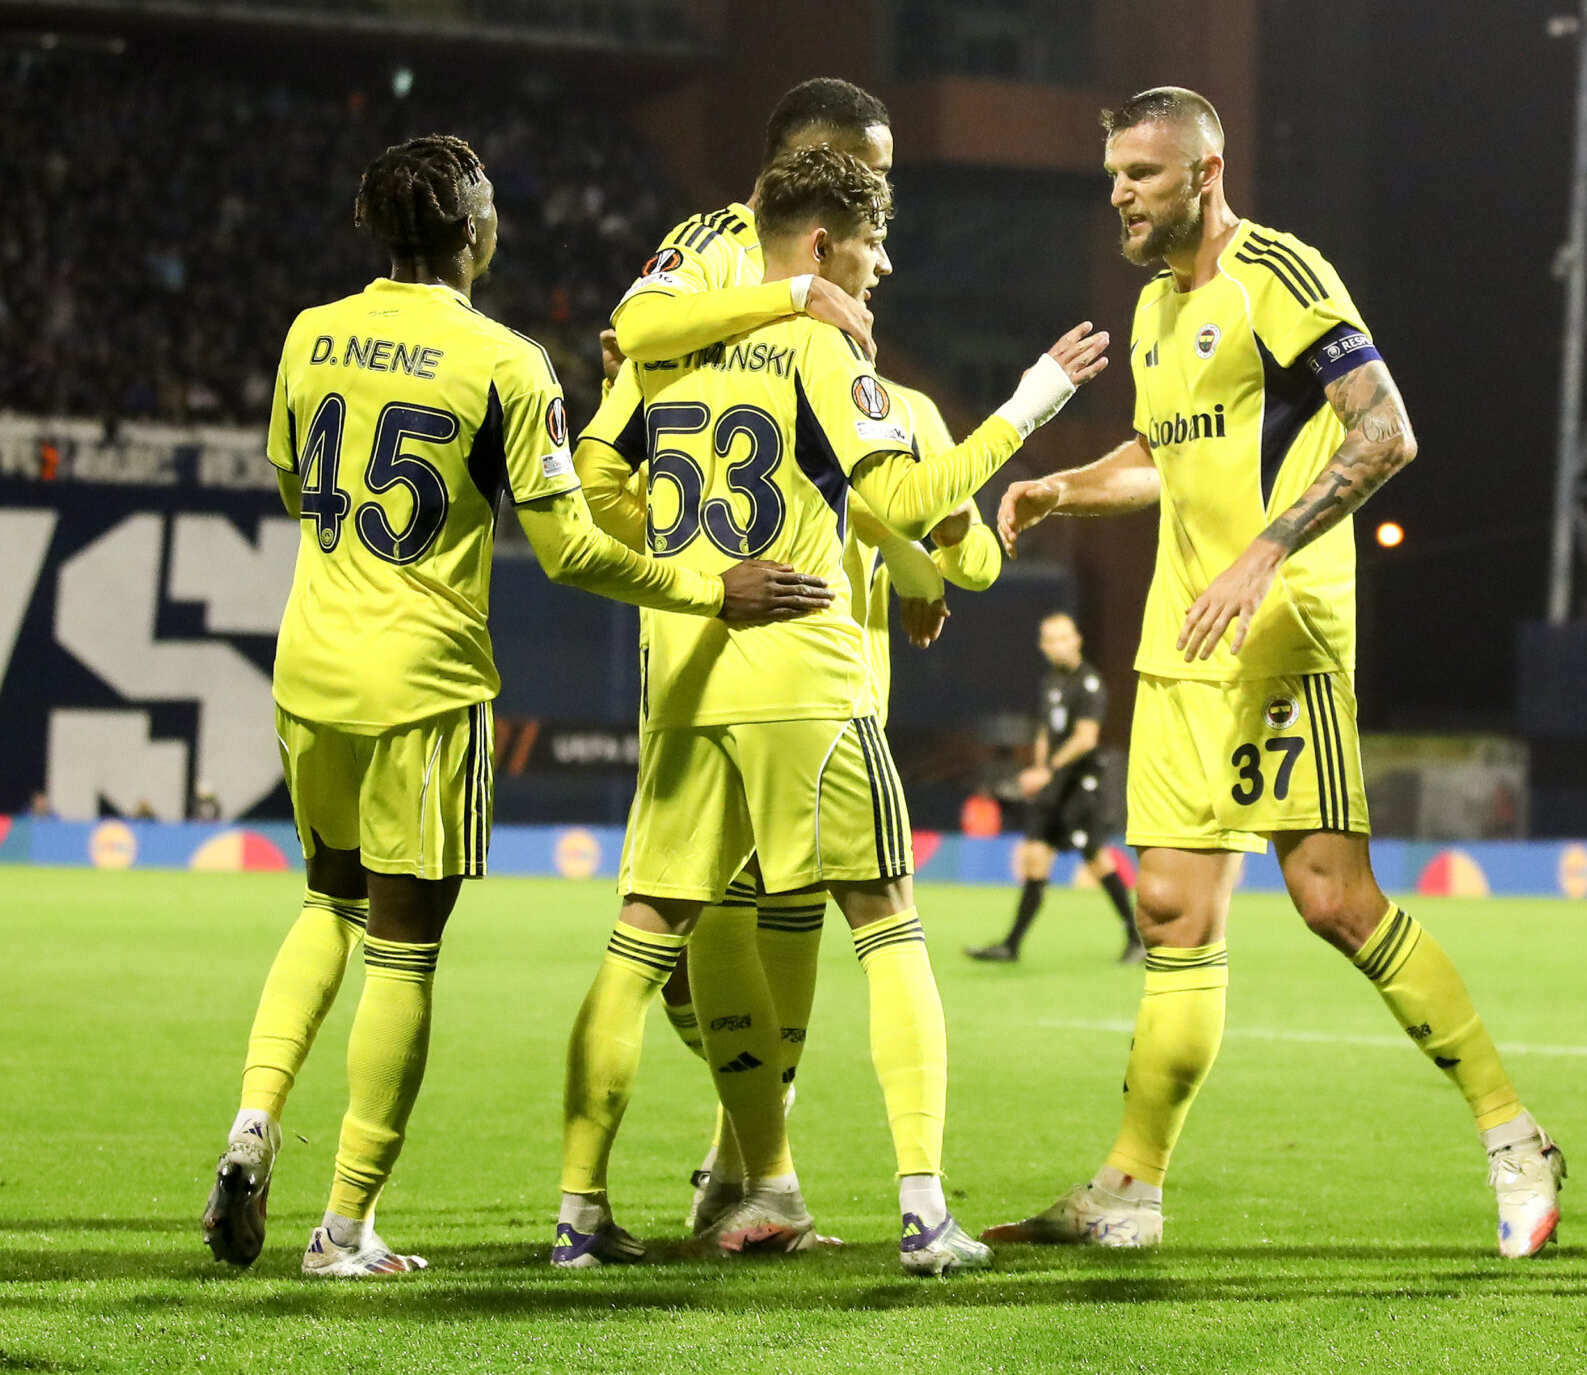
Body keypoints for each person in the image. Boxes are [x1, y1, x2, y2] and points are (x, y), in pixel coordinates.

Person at [200, 135, 830, 1276]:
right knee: (403, 948)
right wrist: (708, 585)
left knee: (326, 899)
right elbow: (574, 549)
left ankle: (254, 1117)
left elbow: (296, 483)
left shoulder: (307, 334)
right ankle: (343, 1226)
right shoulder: (505, 359)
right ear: (471, 231)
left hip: (307, 667)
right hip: (421, 682)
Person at [985, 88, 1563, 1257]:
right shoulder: (1153, 310)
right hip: (1179, 644)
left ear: (1203, 172)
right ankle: (1129, 1190)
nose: (1119, 197)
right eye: (1111, 177)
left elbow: (1384, 429)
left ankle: (1515, 1137)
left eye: (1139, 175)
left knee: (1334, 902)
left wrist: (1265, 547)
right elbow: (1165, 453)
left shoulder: (1283, 275)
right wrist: (1063, 485)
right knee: (1168, 910)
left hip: (1283, 635)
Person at [552, 144, 1108, 1277]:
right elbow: (901, 499)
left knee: (640, 938)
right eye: (865, 249)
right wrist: (1029, 403)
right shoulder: (825, 344)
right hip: (805, 680)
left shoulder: (663, 347)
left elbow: (597, 490)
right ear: (820, 246)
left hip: (687, 682)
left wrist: (682, 560)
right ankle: (919, 1208)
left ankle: (578, 1214)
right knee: (886, 918)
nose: (875, 270)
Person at [968, 611, 1144, 963]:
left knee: (1096, 859)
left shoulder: (1089, 683)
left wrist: (1047, 771)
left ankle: (1135, 938)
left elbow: (1085, 738)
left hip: (1080, 786)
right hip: (1053, 787)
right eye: (1050, 639)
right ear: (1043, 646)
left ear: (1077, 639)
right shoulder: (1051, 682)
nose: (1057, 645)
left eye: (1063, 637)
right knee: (1035, 857)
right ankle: (1011, 945)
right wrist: (1038, 768)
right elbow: (1047, 731)